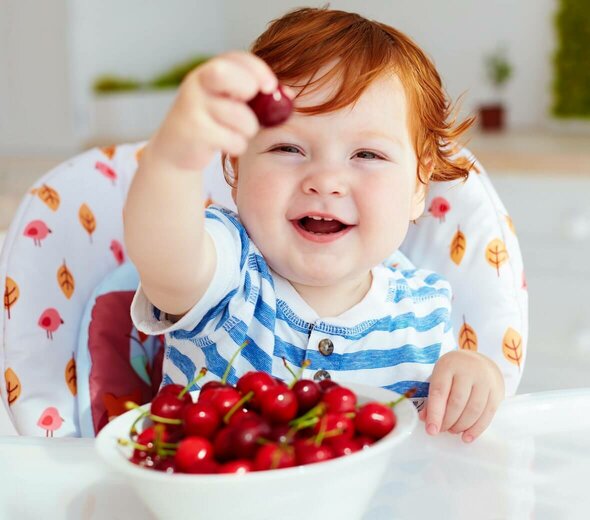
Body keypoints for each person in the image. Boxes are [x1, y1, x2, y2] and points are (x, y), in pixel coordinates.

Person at [125, 7, 504, 443]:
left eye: (367, 155)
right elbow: (165, 259)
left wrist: (474, 379)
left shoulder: (423, 314)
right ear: (235, 167)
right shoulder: (228, 273)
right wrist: (174, 160)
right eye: (288, 147)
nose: (325, 180)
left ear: (420, 186)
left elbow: (438, 457)